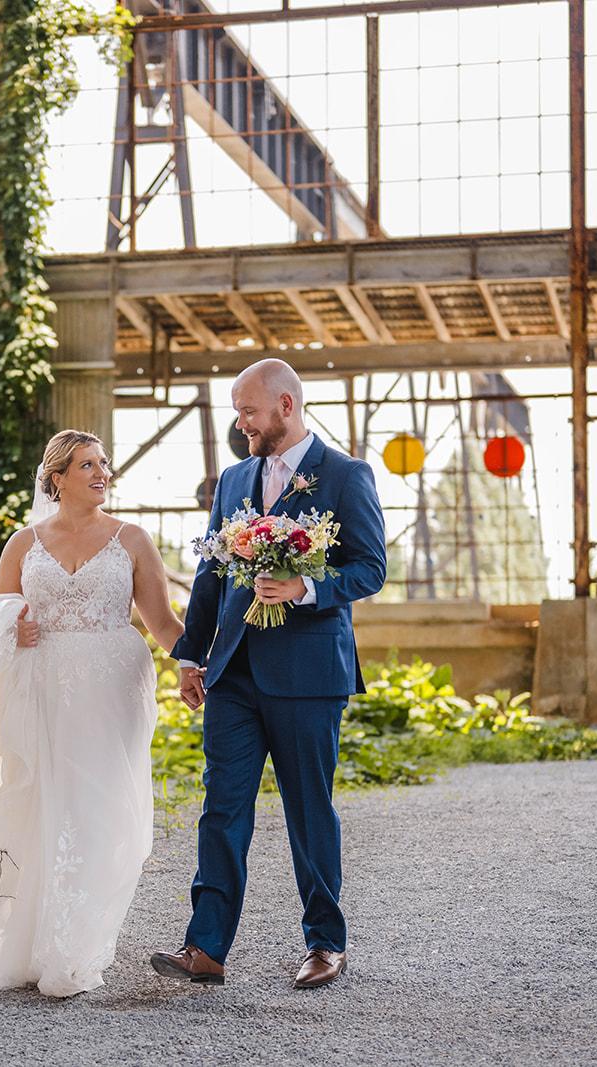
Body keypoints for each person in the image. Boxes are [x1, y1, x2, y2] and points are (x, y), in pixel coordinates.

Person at [0, 429, 184, 997]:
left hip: (111, 693)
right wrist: (15, 629)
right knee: (37, 808)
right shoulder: (22, 544)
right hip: (39, 690)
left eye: (103, 463)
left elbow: (164, 625)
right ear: (57, 478)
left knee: (98, 811)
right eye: (87, 465)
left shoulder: (132, 539)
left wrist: (206, 663)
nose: (102, 473)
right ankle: (28, 945)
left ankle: (75, 948)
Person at [151, 358, 386, 990]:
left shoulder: (346, 475)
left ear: (286, 406)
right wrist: (190, 655)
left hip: (310, 675)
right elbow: (210, 575)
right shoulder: (233, 479)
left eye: (249, 412)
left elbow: (371, 568)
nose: (241, 424)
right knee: (222, 808)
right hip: (233, 673)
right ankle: (205, 948)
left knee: (309, 811)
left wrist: (305, 588)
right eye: (237, 413)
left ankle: (325, 942)